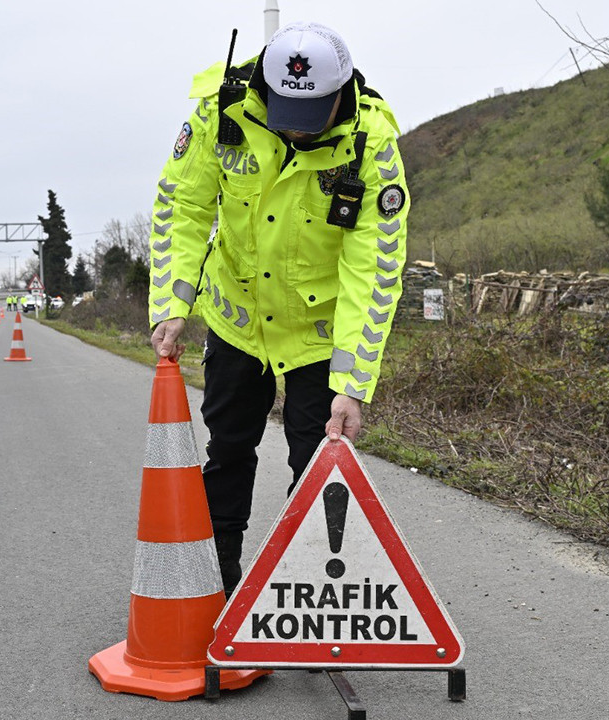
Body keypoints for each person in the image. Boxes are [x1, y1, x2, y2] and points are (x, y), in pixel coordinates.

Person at [147, 22, 409, 596]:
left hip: (317, 332)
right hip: (237, 317)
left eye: (312, 111)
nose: (296, 125)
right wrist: (173, 302)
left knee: (316, 463)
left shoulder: (372, 145)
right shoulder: (223, 112)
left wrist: (353, 383)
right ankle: (215, 588)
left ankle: (308, 597)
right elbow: (182, 205)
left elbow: (375, 268)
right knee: (230, 449)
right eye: (287, 108)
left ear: (341, 93)